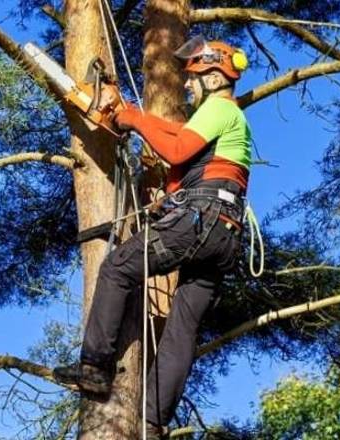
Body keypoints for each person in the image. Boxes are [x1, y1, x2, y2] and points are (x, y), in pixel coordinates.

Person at [54, 36, 252, 439]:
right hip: (224, 234)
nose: (188, 86)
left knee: (118, 266)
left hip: (204, 221)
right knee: (182, 329)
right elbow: (191, 162)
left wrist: (132, 118)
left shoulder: (219, 108)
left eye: (193, 78)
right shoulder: (230, 124)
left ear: (214, 78)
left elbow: (177, 149)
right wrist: (133, 119)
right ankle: (152, 422)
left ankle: (94, 367)